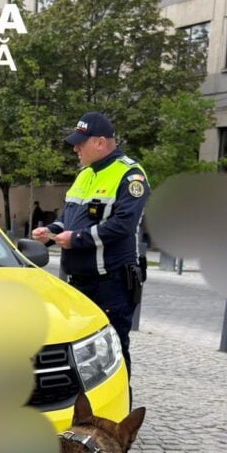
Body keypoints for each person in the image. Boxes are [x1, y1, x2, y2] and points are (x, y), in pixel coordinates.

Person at [32, 111, 149, 380]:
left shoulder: (130, 175)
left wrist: (75, 240)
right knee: (84, 353)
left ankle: (119, 417)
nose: (75, 148)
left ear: (99, 142)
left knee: (114, 350)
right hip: (80, 281)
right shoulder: (85, 174)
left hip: (112, 283)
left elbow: (123, 225)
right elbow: (69, 217)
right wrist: (51, 230)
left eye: (80, 143)